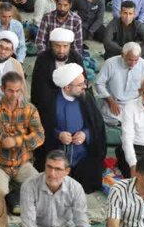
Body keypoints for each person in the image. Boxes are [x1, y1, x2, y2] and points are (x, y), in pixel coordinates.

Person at [37, 63, 107, 193]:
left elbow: (97, 125)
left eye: (84, 82)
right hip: (56, 154)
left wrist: (85, 134)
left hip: (82, 155)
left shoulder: (87, 98)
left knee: (88, 182)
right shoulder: (50, 100)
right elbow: (43, 126)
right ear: (67, 87)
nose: (84, 87)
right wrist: (58, 134)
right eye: (80, 85)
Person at [0, 70, 44, 195]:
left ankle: (16, 191)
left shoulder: (30, 109)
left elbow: (40, 136)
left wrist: (16, 140)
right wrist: (26, 137)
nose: (14, 95)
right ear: (2, 89)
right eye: (10, 91)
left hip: (22, 162)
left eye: (18, 91)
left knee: (40, 188)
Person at [93, 43, 144, 126]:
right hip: (115, 102)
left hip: (135, 103)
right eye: (130, 60)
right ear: (122, 55)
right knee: (107, 118)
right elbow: (99, 83)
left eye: (136, 60)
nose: (133, 64)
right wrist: (110, 101)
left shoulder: (143, 64)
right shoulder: (110, 63)